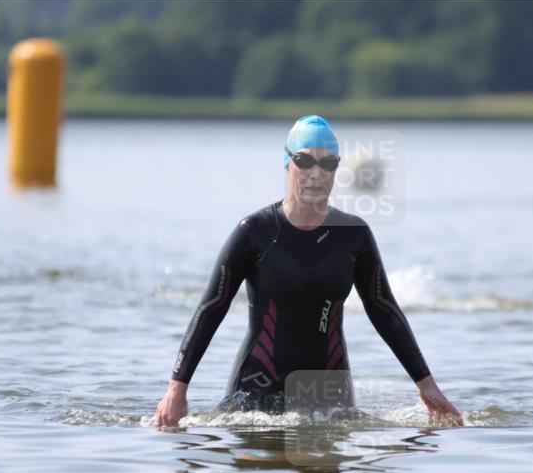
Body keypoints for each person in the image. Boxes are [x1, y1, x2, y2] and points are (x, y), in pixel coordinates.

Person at [155, 115, 463, 427]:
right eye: (304, 161)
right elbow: (212, 307)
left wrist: (426, 384)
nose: (315, 173)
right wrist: (176, 389)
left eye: (327, 164)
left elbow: (383, 309)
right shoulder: (255, 232)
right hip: (255, 394)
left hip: (330, 397)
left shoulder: (353, 235)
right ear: (287, 163)